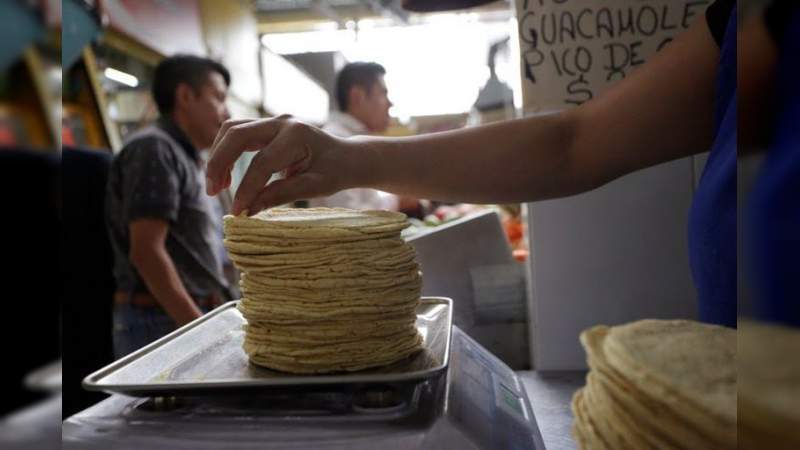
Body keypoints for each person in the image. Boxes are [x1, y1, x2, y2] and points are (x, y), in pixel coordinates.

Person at [206, 1, 741, 327]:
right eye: (384, 93)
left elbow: (571, 143)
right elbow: (573, 143)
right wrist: (348, 159)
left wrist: (353, 159)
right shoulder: (747, 24)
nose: (389, 104)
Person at [107, 55, 233, 358]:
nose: (226, 112)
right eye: (218, 97)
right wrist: (201, 331)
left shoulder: (186, 155)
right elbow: (147, 252)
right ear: (186, 96)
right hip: (162, 324)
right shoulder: (155, 148)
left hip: (181, 318)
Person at [308, 61, 423, 215]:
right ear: (358, 96)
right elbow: (347, 215)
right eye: (383, 93)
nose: (390, 103)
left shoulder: (352, 139)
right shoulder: (337, 140)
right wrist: (398, 200)